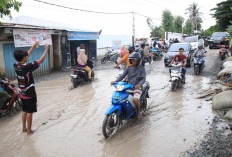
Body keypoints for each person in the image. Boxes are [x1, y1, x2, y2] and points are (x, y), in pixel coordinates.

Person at [14, 42, 49, 135]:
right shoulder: (28, 67)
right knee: (30, 112)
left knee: (24, 110)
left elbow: (26, 55)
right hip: (30, 93)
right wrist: (46, 50)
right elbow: (40, 61)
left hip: (22, 92)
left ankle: (24, 128)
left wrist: (33, 46)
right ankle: (29, 131)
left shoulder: (16, 65)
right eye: (26, 56)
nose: (27, 56)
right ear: (24, 57)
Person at [111, 52, 146, 119]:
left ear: (138, 61)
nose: (132, 61)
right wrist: (114, 81)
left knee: (135, 100)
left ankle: (138, 112)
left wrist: (139, 85)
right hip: (128, 87)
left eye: (134, 60)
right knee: (119, 97)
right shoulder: (129, 68)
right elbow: (122, 76)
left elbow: (143, 79)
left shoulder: (142, 69)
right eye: (131, 60)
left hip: (137, 88)